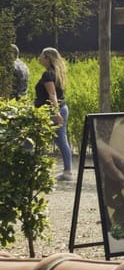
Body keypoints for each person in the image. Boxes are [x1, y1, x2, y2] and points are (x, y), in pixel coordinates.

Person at [35, 47, 72, 181]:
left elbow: (52, 94)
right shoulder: (57, 73)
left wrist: (55, 113)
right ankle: (67, 170)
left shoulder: (48, 75)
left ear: (47, 58)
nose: (39, 58)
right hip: (62, 108)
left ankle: (66, 171)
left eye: (41, 56)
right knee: (61, 139)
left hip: (53, 111)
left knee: (37, 138)